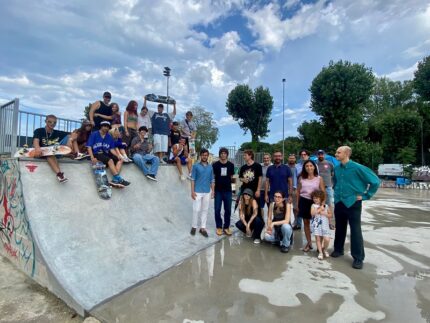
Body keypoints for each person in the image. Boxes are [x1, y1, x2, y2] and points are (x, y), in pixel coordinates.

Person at [331, 146, 380, 270]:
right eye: (336, 152)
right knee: (340, 227)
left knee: (355, 230)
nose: (336, 154)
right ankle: (338, 249)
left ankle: (358, 258)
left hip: (353, 203)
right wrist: (336, 192)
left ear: (346, 153)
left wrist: (366, 195)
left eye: (338, 152)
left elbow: (375, 181)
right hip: (339, 202)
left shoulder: (358, 168)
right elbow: (335, 182)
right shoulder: (337, 168)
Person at [86, 121, 130, 186]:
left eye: (107, 127)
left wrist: (118, 156)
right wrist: (92, 158)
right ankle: (119, 179)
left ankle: (115, 179)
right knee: (110, 160)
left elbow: (111, 149)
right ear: (101, 126)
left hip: (105, 155)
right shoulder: (94, 134)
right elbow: (89, 147)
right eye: (104, 126)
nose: (106, 128)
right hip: (97, 154)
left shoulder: (109, 137)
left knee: (120, 160)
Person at [296, 160, 325, 252]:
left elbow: (323, 192)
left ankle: (319, 244)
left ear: (314, 167)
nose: (309, 167)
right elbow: (298, 192)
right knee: (306, 223)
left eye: (311, 166)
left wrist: (322, 204)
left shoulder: (319, 178)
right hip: (304, 202)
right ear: (304, 168)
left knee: (318, 224)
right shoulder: (301, 178)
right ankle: (309, 243)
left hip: (315, 203)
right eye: (307, 166)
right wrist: (297, 204)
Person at [32, 115, 68, 183]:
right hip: (40, 152)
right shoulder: (39, 131)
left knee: (70, 136)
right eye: (50, 122)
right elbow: (35, 141)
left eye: (54, 122)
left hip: (52, 152)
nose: (52, 124)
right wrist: (37, 148)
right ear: (46, 121)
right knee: (49, 154)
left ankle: (59, 174)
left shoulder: (57, 132)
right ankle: (59, 174)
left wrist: (71, 140)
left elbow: (72, 134)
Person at [190, 149, 215, 238]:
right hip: (197, 191)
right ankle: (194, 226)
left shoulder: (210, 167)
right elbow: (192, 179)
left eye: (206, 155)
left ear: (208, 156)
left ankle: (202, 228)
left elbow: (212, 180)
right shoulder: (195, 166)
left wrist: (213, 191)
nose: (205, 156)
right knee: (196, 210)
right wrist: (192, 191)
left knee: (205, 210)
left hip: (207, 192)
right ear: (200, 155)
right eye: (203, 155)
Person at [146, 97, 176, 164]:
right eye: (159, 108)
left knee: (163, 147)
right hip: (156, 132)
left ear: (163, 109)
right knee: (157, 145)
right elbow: (145, 110)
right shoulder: (154, 113)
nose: (160, 109)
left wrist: (174, 105)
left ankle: (161, 159)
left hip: (165, 133)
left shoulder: (166, 114)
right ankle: (156, 158)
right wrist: (145, 100)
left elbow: (174, 113)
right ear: (158, 108)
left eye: (161, 108)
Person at [212, 147, 235, 236]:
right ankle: (218, 227)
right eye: (221, 153)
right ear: (219, 154)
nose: (223, 154)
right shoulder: (215, 165)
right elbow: (213, 178)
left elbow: (232, 178)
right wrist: (213, 190)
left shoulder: (231, 165)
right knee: (217, 209)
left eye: (225, 153)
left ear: (227, 155)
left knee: (228, 210)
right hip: (218, 191)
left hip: (228, 191)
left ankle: (226, 227)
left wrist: (233, 190)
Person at [310, 190, 332, 260]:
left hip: (325, 224)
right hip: (317, 224)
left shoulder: (326, 206)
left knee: (327, 239)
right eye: (314, 198)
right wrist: (319, 210)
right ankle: (320, 252)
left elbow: (330, 215)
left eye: (317, 198)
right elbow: (312, 213)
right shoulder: (313, 205)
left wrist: (325, 213)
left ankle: (324, 249)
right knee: (318, 239)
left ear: (321, 198)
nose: (315, 199)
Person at [293, 149, 311, 230]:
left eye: (305, 154)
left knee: (311, 207)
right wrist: (295, 188)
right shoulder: (297, 166)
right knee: (298, 207)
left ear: (308, 155)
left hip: (310, 189)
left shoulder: (313, 165)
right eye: (302, 154)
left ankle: (311, 225)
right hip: (300, 189)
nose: (303, 156)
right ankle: (298, 224)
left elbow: (316, 176)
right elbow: (294, 178)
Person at [316, 149, 335, 228]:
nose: (321, 155)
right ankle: (318, 222)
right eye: (319, 154)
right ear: (317, 155)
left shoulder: (329, 164)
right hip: (318, 187)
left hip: (328, 187)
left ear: (325, 155)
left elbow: (333, 173)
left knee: (329, 205)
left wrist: (331, 183)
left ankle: (330, 223)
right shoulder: (315, 164)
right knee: (317, 204)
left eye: (322, 154)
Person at [287, 153, 299, 227]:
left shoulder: (298, 167)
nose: (291, 159)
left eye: (293, 158)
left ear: (295, 159)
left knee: (295, 207)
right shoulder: (285, 167)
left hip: (295, 189)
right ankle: (287, 221)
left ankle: (296, 221)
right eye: (290, 158)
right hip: (286, 189)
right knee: (286, 206)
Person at [259, 153, 272, 217]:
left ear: (270, 158)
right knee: (260, 207)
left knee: (270, 207)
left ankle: (269, 222)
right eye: (264, 158)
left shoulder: (273, 166)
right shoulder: (260, 166)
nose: (266, 159)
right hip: (261, 189)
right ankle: (262, 222)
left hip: (270, 190)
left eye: (267, 158)